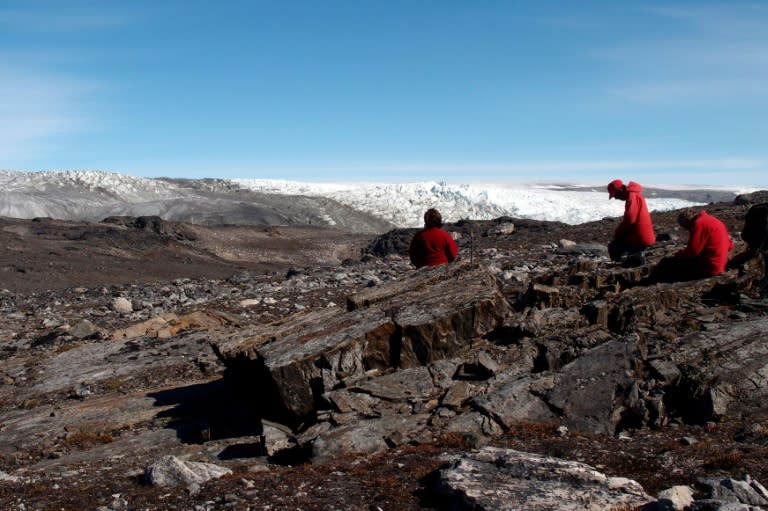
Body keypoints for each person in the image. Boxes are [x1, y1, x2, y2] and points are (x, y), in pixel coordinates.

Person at [649, 209, 734, 283]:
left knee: (667, 263)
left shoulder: (699, 223)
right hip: (720, 264)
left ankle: (651, 282)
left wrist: (678, 255)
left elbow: (693, 251)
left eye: (684, 226)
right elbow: (730, 246)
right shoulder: (713, 220)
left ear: (687, 221)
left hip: (710, 267)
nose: (687, 229)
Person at [606, 179, 656, 262]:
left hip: (640, 238)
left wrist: (618, 232)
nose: (615, 198)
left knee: (614, 247)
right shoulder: (634, 195)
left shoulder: (632, 196)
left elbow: (630, 219)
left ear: (621, 190)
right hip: (641, 236)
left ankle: (620, 264)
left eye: (615, 194)